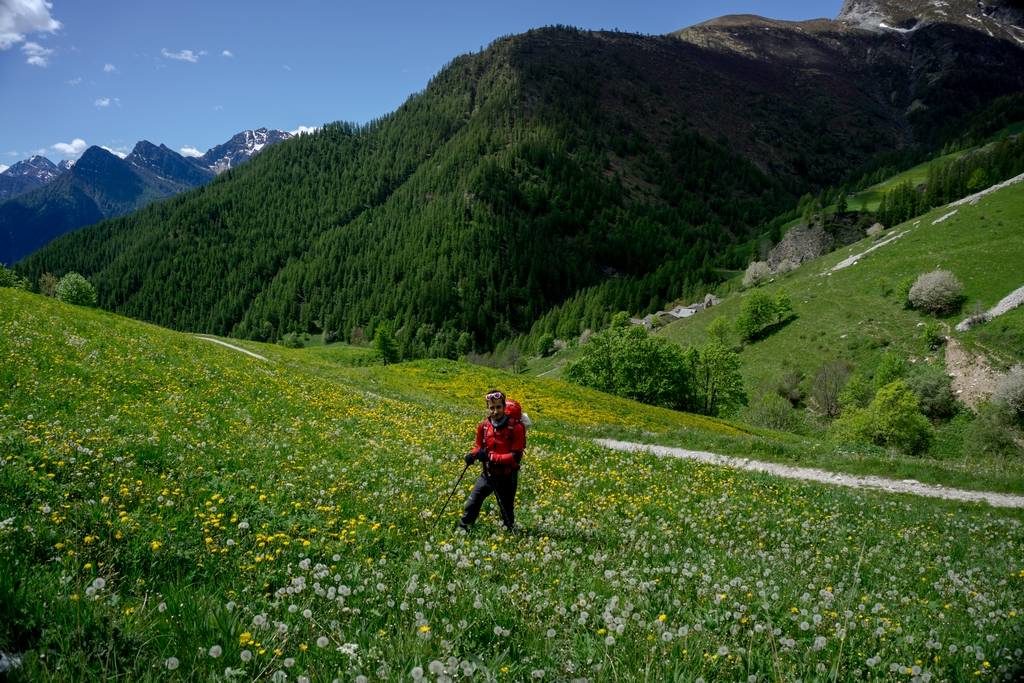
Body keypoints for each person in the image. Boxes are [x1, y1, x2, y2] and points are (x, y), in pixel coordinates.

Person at [456, 389, 526, 532]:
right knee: (472, 502)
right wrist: (473, 455)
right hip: (488, 474)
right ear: (487, 408)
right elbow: (479, 446)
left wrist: (491, 457)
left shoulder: (516, 428)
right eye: (492, 408)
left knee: (506, 508)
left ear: (504, 407)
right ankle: (463, 528)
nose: (495, 411)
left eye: (498, 407)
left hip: (507, 475)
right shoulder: (484, 426)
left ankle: (509, 533)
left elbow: (516, 456)